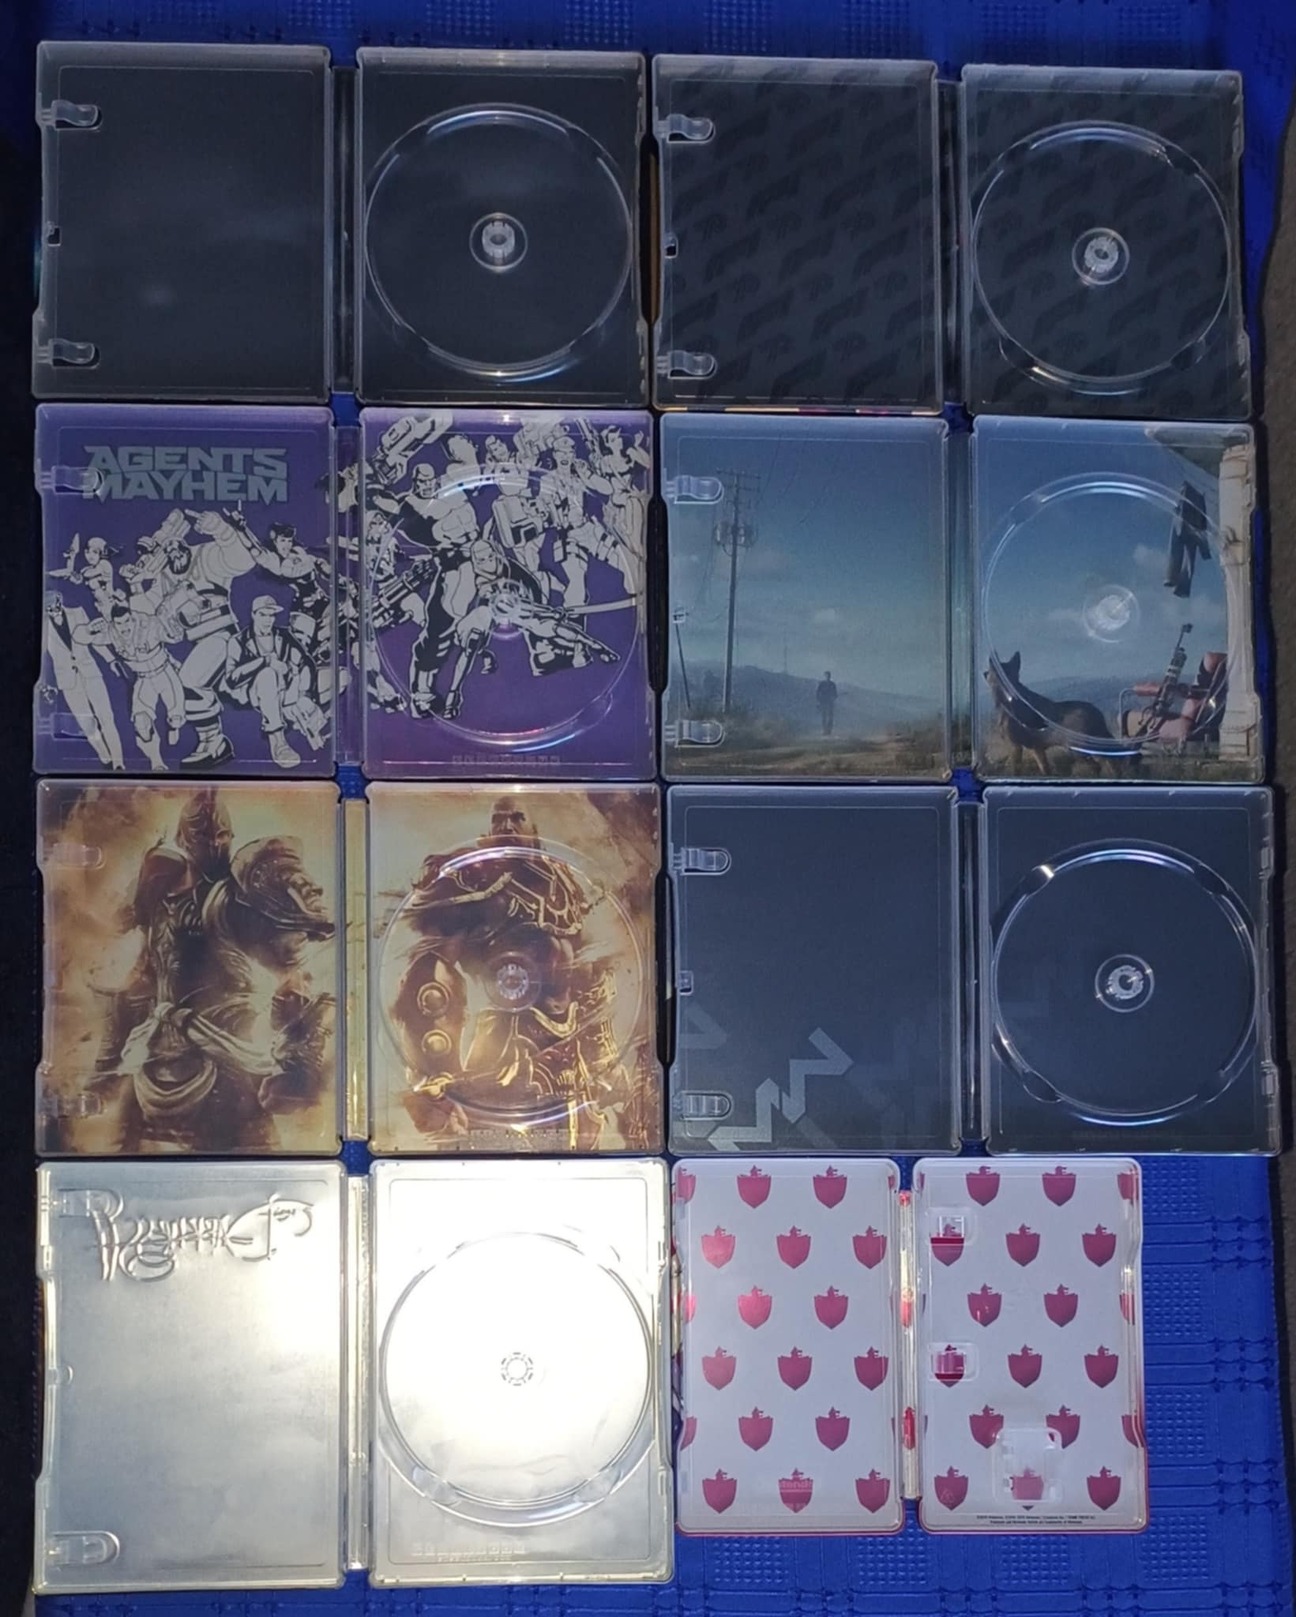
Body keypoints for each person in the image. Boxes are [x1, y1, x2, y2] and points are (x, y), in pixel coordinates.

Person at [223, 595, 328, 768]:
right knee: (267, 675)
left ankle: (315, 726)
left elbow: (306, 662)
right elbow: (231, 679)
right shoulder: (238, 641)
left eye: (271, 615)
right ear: (253, 615)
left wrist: (305, 693)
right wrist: (265, 661)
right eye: (263, 615)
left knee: (338, 677)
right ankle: (278, 741)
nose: (268, 620)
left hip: (287, 690)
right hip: (256, 692)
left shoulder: (283, 635)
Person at [816, 670, 838, 736]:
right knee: (824, 717)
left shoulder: (832, 684)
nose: (827, 677)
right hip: (823, 702)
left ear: (830, 676)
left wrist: (834, 697)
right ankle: (824, 730)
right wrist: (818, 700)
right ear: (825, 676)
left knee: (830, 717)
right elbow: (817, 692)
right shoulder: (822, 684)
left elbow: (835, 694)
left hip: (830, 702)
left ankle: (829, 730)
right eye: (826, 675)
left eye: (828, 675)